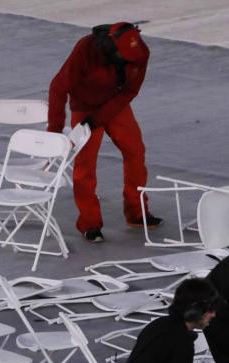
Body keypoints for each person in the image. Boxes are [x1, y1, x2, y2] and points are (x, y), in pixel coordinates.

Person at [47, 21, 162, 244]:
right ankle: (89, 223)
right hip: (85, 106)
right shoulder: (86, 49)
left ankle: (137, 213)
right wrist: (55, 132)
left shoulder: (140, 52)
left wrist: (98, 120)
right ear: (110, 47)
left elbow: (130, 91)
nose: (130, 59)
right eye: (124, 55)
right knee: (85, 166)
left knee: (135, 152)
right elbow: (58, 87)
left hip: (115, 105)